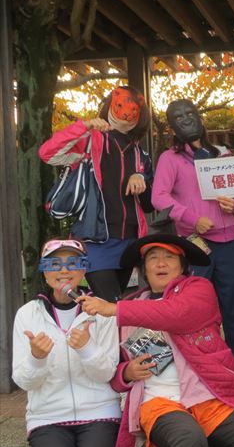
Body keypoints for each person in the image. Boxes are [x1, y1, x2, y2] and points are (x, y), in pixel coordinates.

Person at [78, 234, 234, 447]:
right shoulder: (132, 304)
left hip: (209, 395)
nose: (161, 263)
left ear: (182, 266)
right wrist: (127, 373)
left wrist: (115, 309)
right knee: (188, 439)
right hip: (159, 401)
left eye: (169, 257)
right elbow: (115, 367)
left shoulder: (199, 289)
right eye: (153, 258)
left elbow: (177, 314)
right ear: (144, 269)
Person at [152, 98, 234, 378]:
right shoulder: (170, 158)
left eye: (190, 113)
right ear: (171, 127)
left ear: (199, 116)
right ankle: (201, 367)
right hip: (195, 244)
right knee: (197, 308)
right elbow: (159, 197)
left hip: (229, 242)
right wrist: (191, 218)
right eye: (178, 117)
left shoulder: (222, 154)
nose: (186, 119)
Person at [39, 86, 154, 302]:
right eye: (120, 105)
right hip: (94, 239)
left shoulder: (141, 155)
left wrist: (142, 179)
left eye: (134, 109)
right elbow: (47, 153)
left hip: (129, 241)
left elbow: (149, 205)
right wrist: (84, 126)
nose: (126, 114)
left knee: (115, 306)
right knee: (110, 304)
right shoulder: (90, 141)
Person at [12, 239, 121, 447]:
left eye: (73, 263)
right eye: (54, 264)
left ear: (83, 270)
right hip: (46, 417)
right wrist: (36, 358)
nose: (64, 270)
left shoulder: (102, 310)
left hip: (100, 413)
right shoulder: (28, 314)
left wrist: (88, 349)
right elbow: (24, 382)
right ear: (44, 271)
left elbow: (107, 374)